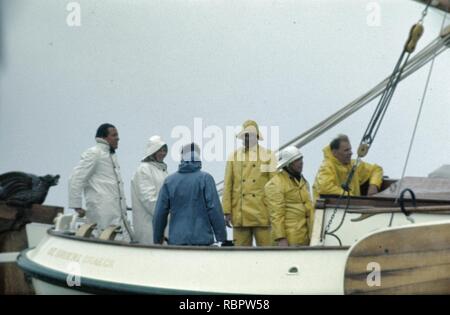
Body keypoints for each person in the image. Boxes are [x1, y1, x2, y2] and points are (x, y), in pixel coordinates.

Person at [153, 143, 227, 246]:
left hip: (177, 241)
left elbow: (159, 213)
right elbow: (214, 209)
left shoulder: (169, 181)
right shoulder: (205, 179)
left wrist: (157, 239)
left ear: (182, 158)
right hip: (202, 240)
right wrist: (222, 237)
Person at [68, 123, 131, 240]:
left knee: (119, 242)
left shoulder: (110, 155)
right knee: (105, 243)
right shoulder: (94, 153)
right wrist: (76, 205)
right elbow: (76, 178)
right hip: (102, 213)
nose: (118, 138)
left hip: (115, 213)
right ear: (104, 137)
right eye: (114, 135)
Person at [222, 120, 276, 246]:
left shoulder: (268, 156)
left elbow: (274, 186)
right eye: (245, 135)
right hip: (240, 214)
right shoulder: (233, 156)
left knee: (267, 255)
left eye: (250, 135)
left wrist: (276, 212)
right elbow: (228, 185)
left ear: (257, 136)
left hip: (262, 213)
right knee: (240, 257)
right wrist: (226, 211)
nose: (247, 138)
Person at [265, 146, 314, 246]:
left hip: (306, 236)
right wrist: (281, 238)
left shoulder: (302, 181)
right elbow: (276, 214)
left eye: (301, 159)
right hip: (289, 239)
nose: (301, 162)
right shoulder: (275, 184)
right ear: (288, 164)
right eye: (296, 160)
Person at [313, 134, 383, 202]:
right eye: (346, 150)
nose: (351, 153)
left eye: (350, 149)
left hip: (353, 207)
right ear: (335, 153)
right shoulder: (326, 167)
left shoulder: (353, 165)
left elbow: (376, 169)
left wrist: (373, 186)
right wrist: (350, 196)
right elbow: (324, 188)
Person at [131, 136, 168, 245]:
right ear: (152, 152)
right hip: (148, 226)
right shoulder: (144, 170)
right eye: (160, 150)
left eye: (164, 150)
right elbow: (149, 200)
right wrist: (168, 213)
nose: (163, 153)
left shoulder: (161, 170)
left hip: (161, 224)